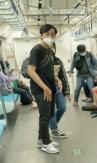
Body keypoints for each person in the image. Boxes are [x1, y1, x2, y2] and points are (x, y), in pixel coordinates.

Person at [27, 24, 59, 154]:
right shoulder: (37, 49)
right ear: (41, 35)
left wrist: (56, 79)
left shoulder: (49, 50)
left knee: (50, 113)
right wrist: (45, 88)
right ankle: (46, 143)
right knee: (45, 114)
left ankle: (41, 139)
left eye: (52, 34)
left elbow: (48, 68)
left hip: (49, 87)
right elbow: (31, 71)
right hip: (40, 88)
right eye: (47, 34)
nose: (50, 37)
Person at [49, 44, 71, 139]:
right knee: (51, 111)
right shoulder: (40, 61)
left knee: (62, 107)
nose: (51, 48)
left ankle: (52, 125)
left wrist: (67, 92)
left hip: (57, 88)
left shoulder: (57, 61)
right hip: (46, 89)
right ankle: (54, 130)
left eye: (53, 46)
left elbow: (63, 76)